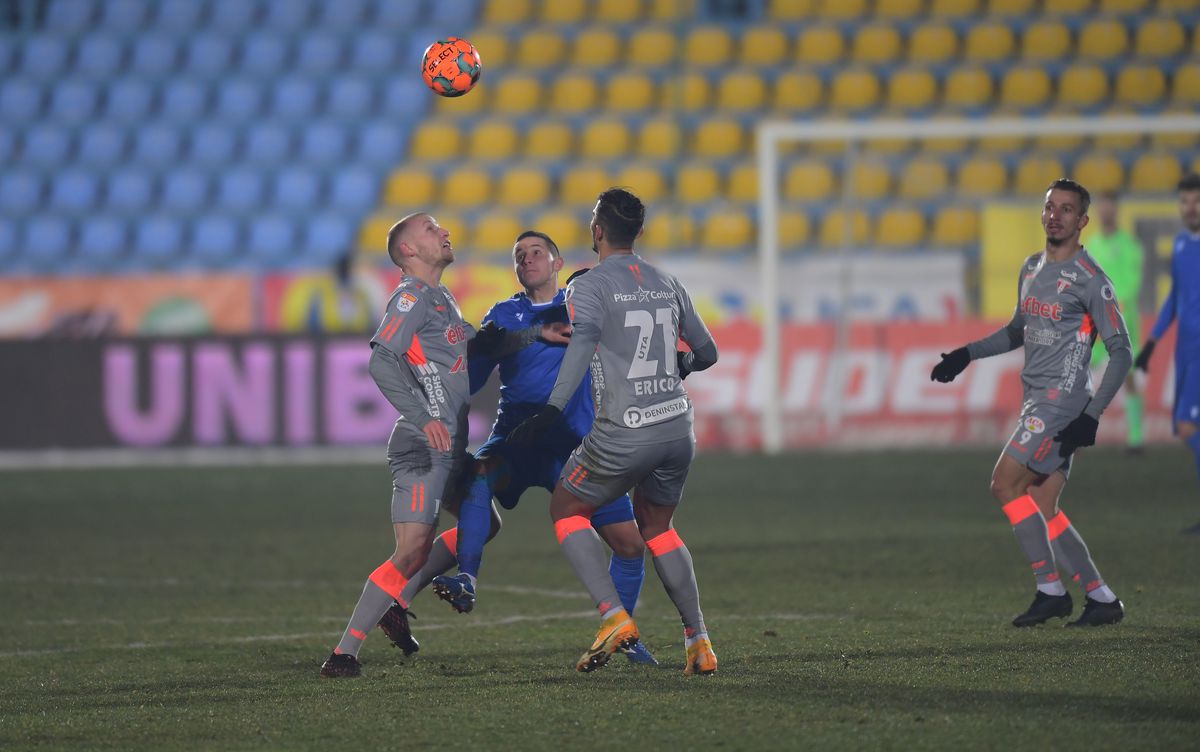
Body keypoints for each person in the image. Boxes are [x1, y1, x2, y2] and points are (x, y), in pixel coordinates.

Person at [391, 230, 658, 665]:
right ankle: (467, 580)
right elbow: (472, 377)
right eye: (520, 255)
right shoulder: (504, 315)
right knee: (480, 475)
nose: (528, 259)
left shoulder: (581, 306)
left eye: (537, 252)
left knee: (629, 545)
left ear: (557, 263)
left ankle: (622, 634)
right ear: (516, 270)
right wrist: (469, 356)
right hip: (517, 439)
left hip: (574, 445)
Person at [319, 213, 558, 678]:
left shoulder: (439, 297)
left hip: (449, 448)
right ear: (409, 251)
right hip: (421, 446)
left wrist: (535, 334)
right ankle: (343, 654)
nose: (445, 232)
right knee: (410, 550)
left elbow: (476, 346)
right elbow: (382, 361)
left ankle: (397, 603)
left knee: (483, 522)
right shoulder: (410, 297)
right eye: (431, 229)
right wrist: (423, 416)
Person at [509, 188, 720, 674]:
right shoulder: (667, 281)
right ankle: (699, 640)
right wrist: (681, 364)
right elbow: (707, 354)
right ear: (639, 233)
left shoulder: (588, 285)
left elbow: (581, 347)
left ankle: (612, 617)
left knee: (566, 507)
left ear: (596, 231)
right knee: (659, 529)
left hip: (624, 432)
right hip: (676, 429)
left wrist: (550, 411)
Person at [931, 179, 1130, 628]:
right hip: (1035, 400)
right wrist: (966, 354)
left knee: (1004, 484)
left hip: (1061, 405)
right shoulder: (1031, 268)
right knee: (1042, 503)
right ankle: (1101, 598)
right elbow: (1016, 330)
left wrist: (1091, 416)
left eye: (1066, 209)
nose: (1055, 215)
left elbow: (1122, 350)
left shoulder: (1092, 281)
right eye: (1049, 207)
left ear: (1082, 222)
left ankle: (1051, 590)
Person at [1135, 173, 1200, 534]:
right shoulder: (1179, 245)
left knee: (1189, 426)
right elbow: (1175, 299)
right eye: (1185, 201)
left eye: (1196, 201)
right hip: (1185, 351)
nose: (1190, 208)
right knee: (1186, 426)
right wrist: (1151, 343)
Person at [1087, 191, 1145, 453]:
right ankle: (1078, 435)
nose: (1106, 210)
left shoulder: (1130, 246)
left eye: (1110, 205)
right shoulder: (1091, 245)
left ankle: (1135, 437)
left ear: (1117, 209)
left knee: (1129, 378)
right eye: (1102, 205)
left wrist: (1115, 303)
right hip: (1097, 321)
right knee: (1079, 372)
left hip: (1123, 321)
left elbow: (1132, 284)